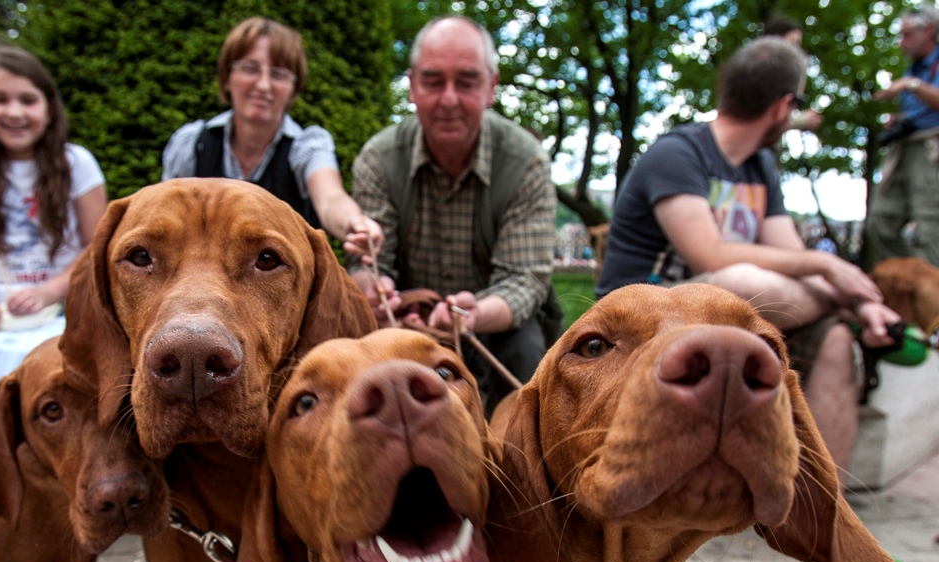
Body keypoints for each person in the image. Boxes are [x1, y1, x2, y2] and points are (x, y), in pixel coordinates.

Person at [596, 37, 901, 487]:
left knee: (834, 339)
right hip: (641, 317)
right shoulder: (678, 153)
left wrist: (826, 273)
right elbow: (711, 256)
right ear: (783, 108)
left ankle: (819, 507)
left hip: (731, 309)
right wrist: (839, 278)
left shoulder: (759, 166)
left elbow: (791, 257)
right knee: (737, 282)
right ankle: (851, 311)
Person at [347, 16, 558, 415]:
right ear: (411, 86)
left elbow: (524, 281)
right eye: (432, 81)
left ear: (491, 88)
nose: (448, 99)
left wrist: (474, 313)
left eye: (465, 82)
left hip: (494, 326)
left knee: (526, 347)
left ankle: (524, 459)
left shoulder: (526, 163)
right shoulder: (378, 159)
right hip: (405, 319)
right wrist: (374, 288)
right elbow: (367, 263)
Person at [0, 45, 107, 396]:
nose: (14, 112)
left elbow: (96, 246)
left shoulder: (77, 164)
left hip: (61, 312)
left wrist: (48, 292)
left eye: (28, 100)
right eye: (0, 99)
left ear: (49, 107)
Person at [162, 16, 381, 258]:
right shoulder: (192, 143)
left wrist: (355, 223)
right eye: (250, 68)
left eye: (279, 74)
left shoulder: (307, 146)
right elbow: (163, 218)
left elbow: (330, 199)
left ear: (293, 89)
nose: (263, 85)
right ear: (227, 78)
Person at [866, 5, 939, 267]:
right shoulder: (914, 68)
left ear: (928, 30)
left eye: (907, 35)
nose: (901, 43)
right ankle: (907, 281)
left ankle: (931, 297)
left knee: (930, 226)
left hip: (931, 149)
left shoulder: (917, 77)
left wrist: (911, 85)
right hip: (904, 147)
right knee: (880, 221)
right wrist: (899, 121)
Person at [762, 15, 823, 133]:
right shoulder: (758, 75)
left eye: (798, 45)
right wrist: (800, 121)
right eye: (792, 43)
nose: (797, 52)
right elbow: (758, 121)